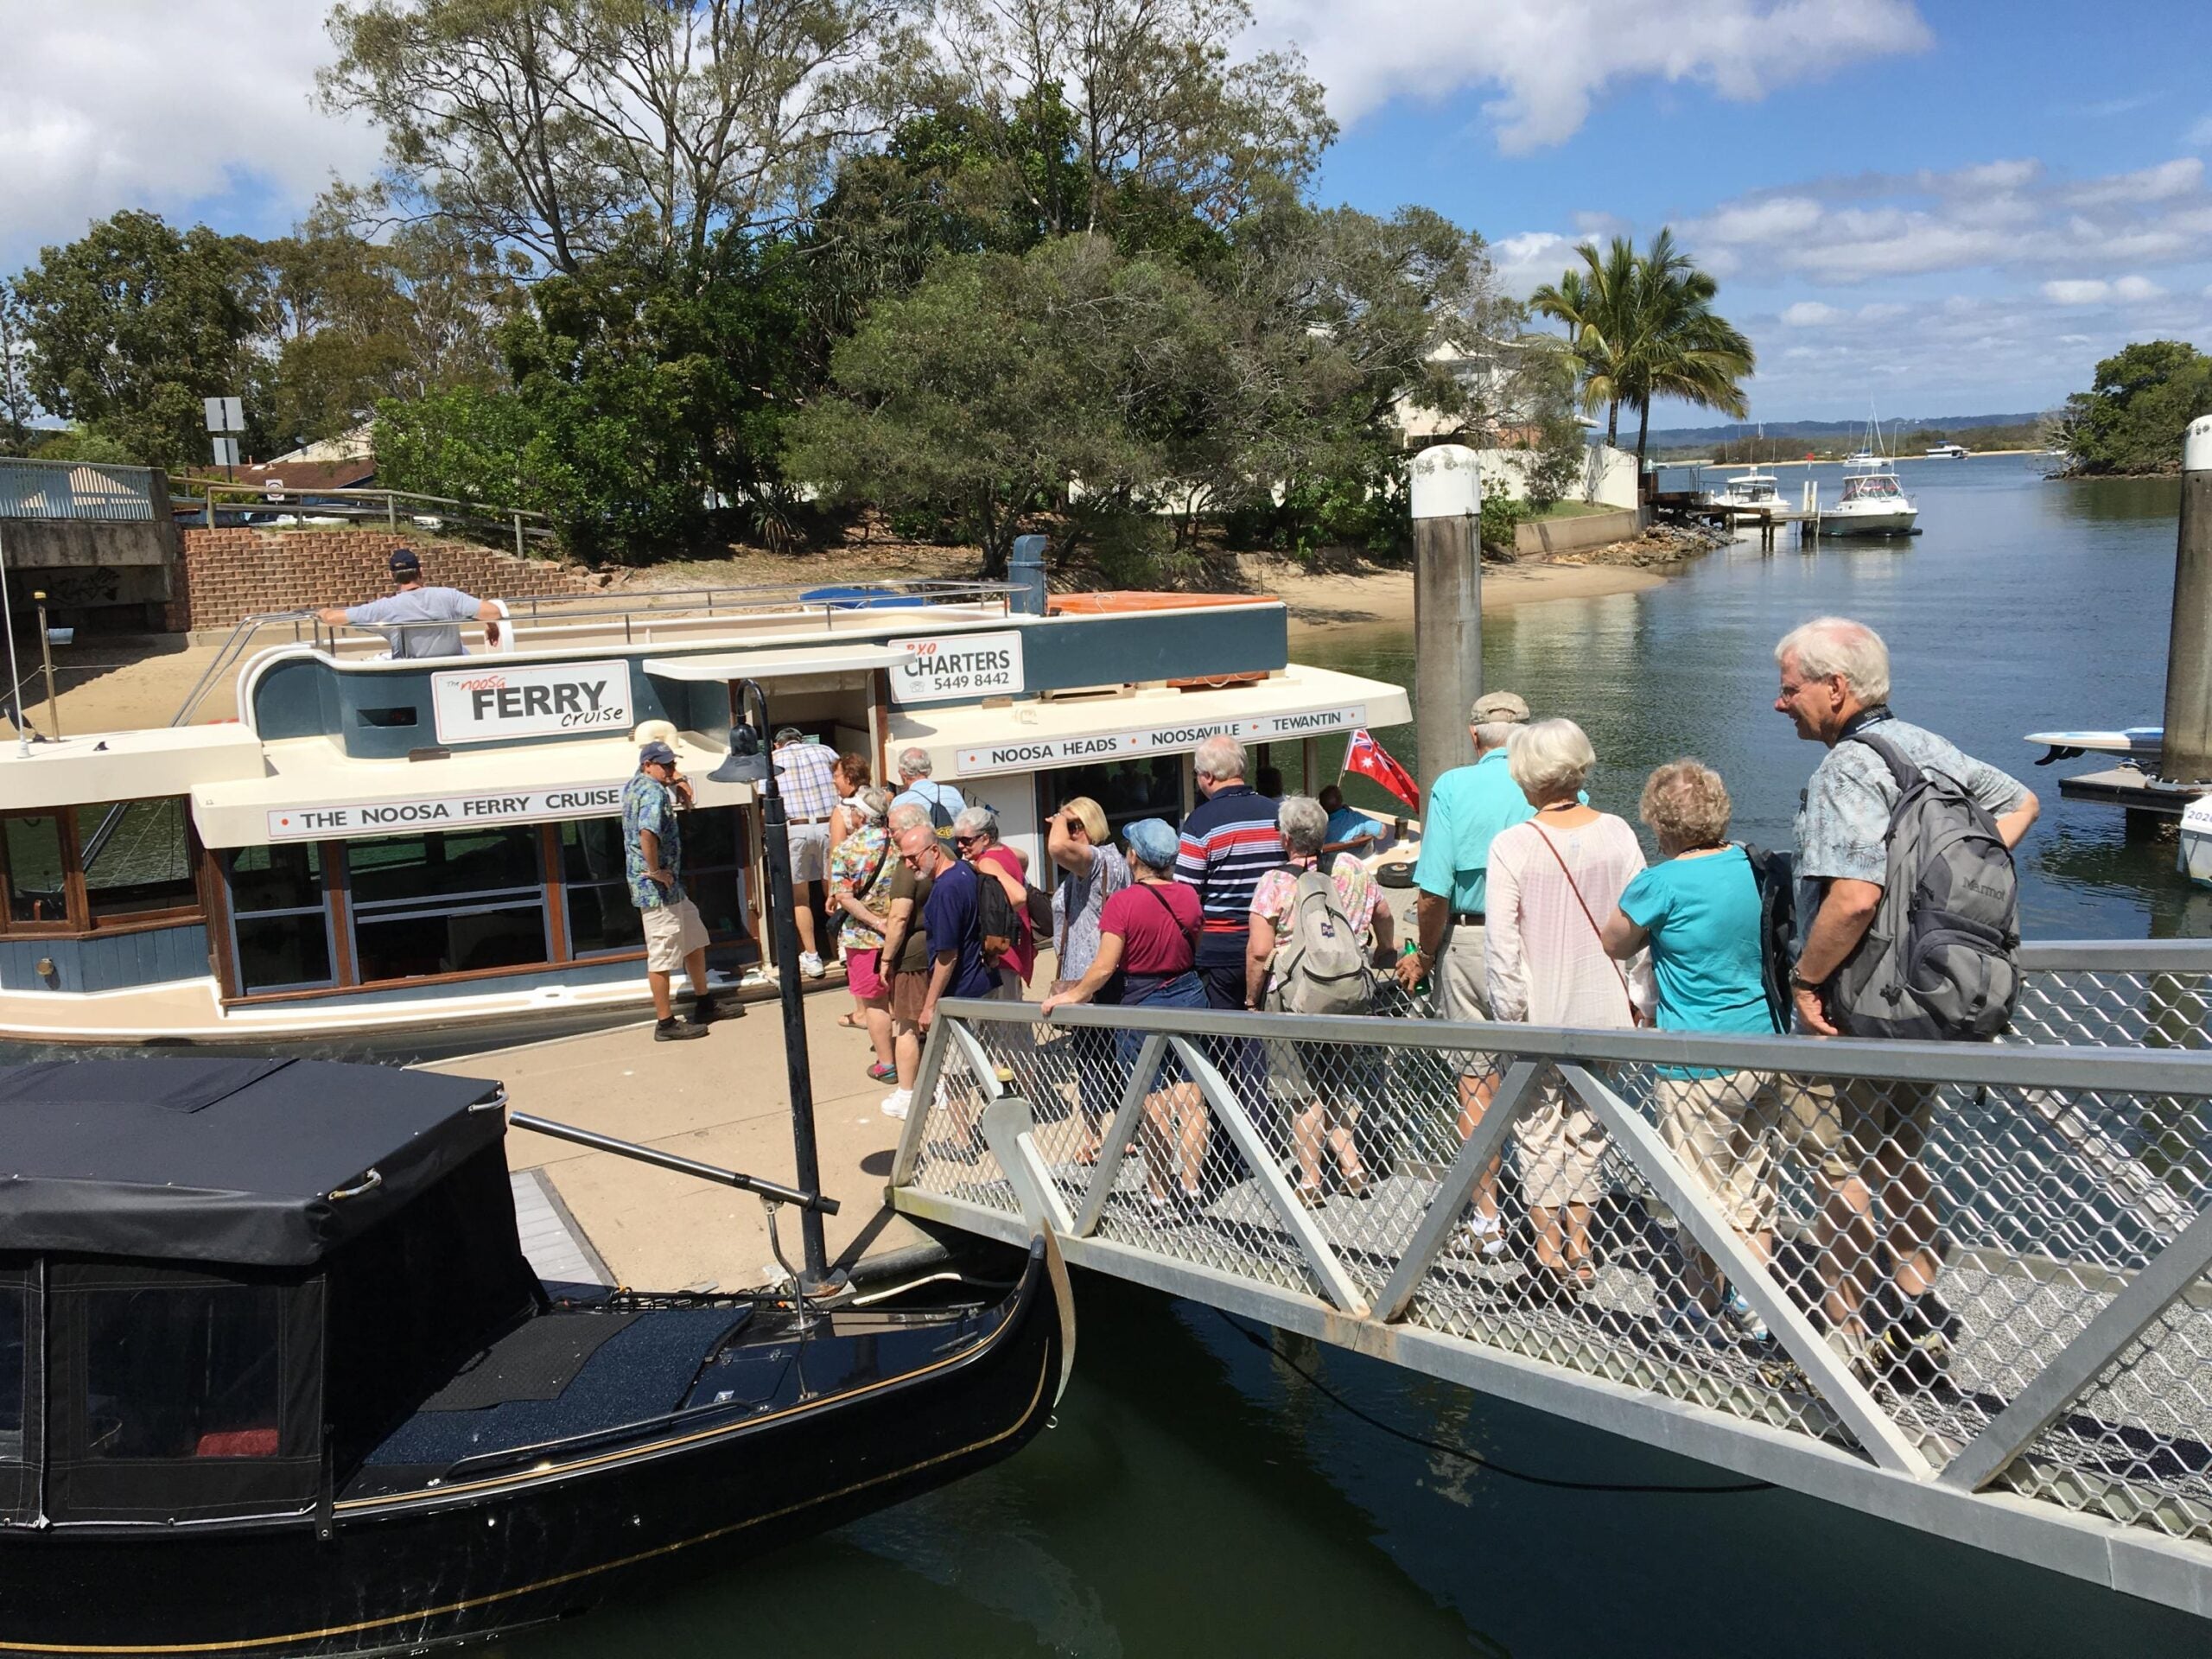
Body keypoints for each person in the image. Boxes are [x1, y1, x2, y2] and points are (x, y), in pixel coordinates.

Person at [1775, 616, 2038, 1380]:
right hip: (1926, 999)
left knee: (1840, 1168)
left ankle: (1844, 1338)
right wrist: (1934, 898)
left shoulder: (1846, 770)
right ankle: (1917, 1311)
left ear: (1836, 689)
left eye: (1790, 689)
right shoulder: (1929, 748)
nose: (1779, 703)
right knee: (1899, 1154)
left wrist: (1807, 981)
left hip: (1859, 1005)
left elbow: (1854, 898)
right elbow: (2020, 804)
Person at [1601, 760, 1781, 1344]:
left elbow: (1614, 939)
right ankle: (1756, 1307)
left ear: (1661, 823)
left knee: (1698, 1190)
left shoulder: (1661, 883)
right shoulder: (1756, 867)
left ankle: (1703, 1306)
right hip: (1763, 1046)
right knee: (1752, 1184)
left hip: (1695, 1061)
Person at [1485, 719, 1653, 1300]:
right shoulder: (1617, 834)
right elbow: (1641, 927)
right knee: (1589, 1127)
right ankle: (1582, 1251)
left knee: (1536, 1130)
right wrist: (1640, 1000)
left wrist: (1510, 1013)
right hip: (1605, 1009)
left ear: (1528, 777)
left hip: (1541, 1014)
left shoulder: (1513, 844)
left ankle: (1548, 1251)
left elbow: (1502, 943)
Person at [1395, 690, 1537, 1252]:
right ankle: (1555, 1221)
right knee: (1544, 1081)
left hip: (1471, 940)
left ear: (1475, 736)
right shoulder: (1559, 785)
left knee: (1477, 1085)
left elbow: (1433, 893)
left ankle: (1488, 1219)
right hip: (1537, 942)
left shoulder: (1453, 786)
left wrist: (1425, 956)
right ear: (1528, 736)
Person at [1040, 818, 1211, 1207]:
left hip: (1142, 1001)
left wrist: (1075, 995)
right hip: (1187, 993)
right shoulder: (1188, 896)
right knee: (1190, 1096)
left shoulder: (1123, 903)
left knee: (1153, 1098)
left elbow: (1104, 966)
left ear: (1134, 857)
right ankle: (1192, 1185)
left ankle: (1159, 1189)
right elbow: (1194, 945)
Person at [1246, 795, 1395, 1205]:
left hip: (1294, 997)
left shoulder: (1275, 881)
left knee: (1300, 1091)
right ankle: (1353, 1166)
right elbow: (1383, 913)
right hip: (1348, 993)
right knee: (1338, 1083)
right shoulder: (1352, 868)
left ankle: (1310, 1181)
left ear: (1284, 837)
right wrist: (1384, 950)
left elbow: (1259, 951)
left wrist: (1251, 1000)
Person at [1046, 797, 1129, 1161]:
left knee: (1111, 1057)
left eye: (1075, 825)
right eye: (1067, 824)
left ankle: (1122, 1132)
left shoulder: (1101, 860)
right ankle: (1098, 1132)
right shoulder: (1083, 869)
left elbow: (1055, 847)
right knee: (1091, 1058)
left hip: (1101, 973)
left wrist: (1059, 821)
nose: (1067, 832)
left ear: (1089, 826)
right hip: (1077, 974)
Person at [1175, 735, 1283, 1013]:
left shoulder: (1200, 822)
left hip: (1220, 952)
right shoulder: (1279, 815)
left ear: (1208, 777)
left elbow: (1186, 897)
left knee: (1224, 1040)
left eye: (1197, 774)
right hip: (1273, 944)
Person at [621, 740, 714, 1042]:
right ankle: (666, 1023)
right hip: (657, 889)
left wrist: (678, 779)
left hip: (671, 888)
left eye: (673, 764)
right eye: (665, 765)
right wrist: (656, 871)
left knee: (694, 937)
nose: (670, 769)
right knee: (662, 955)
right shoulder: (651, 791)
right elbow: (647, 832)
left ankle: (704, 1003)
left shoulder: (637, 784)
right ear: (648, 765)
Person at [829, 786, 898, 1084]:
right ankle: (914, 1048)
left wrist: (875, 921)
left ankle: (887, 1063)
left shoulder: (846, 849)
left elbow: (844, 897)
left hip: (864, 938)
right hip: (902, 932)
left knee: (875, 1003)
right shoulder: (899, 843)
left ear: (860, 815)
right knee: (903, 998)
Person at [317, 548, 504, 659]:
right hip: (450, 669)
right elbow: (493, 612)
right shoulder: (449, 596)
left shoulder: (385, 608)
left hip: (409, 672)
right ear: (421, 572)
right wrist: (491, 625)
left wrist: (323, 611)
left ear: (392, 577)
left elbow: (334, 618)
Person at [874, 804, 938, 1120]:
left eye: (894, 828)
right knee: (940, 1022)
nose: (890, 834)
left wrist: (886, 958)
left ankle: (907, 1093)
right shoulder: (945, 854)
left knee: (907, 1026)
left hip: (913, 956)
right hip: (941, 951)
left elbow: (899, 918)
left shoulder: (906, 866)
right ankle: (942, 1087)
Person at [772, 728, 839, 979]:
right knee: (833, 889)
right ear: (801, 740)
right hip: (829, 824)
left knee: (800, 897)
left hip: (795, 828)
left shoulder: (773, 760)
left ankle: (812, 957)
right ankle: (842, 947)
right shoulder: (825, 751)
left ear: (778, 745)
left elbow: (764, 801)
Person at [953, 804, 1035, 999]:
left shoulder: (987, 863)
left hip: (1001, 951)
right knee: (1014, 1016)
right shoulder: (1006, 851)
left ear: (986, 838)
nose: (960, 846)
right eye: (957, 840)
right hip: (1015, 945)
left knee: (1003, 1020)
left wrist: (992, 916)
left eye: (966, 840)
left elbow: (1019, 896)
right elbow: (1024, 858)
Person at [827, 753, 874, 1028]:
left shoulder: (843, 810)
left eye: (837, 776)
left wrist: (833, 892)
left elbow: (836, 853)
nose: (834, 781)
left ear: (849, 778)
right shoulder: (882, 799)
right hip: (883, 883)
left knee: (854, 947)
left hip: (855, 887)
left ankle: (862, 1012)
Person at [891, 747, 967, 843]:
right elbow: (967, 824)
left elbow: (895, 838)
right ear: (928, 768)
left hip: (921, 854)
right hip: (954, 854)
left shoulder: (900, 803)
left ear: (903, 773)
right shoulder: (951, 792)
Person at [1318, 784, 1390, 859]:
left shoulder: (1318, 828)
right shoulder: (1356, 819)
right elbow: (1382, 832)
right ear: (1341, 801)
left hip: (1329, 864)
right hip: (1359, 860)